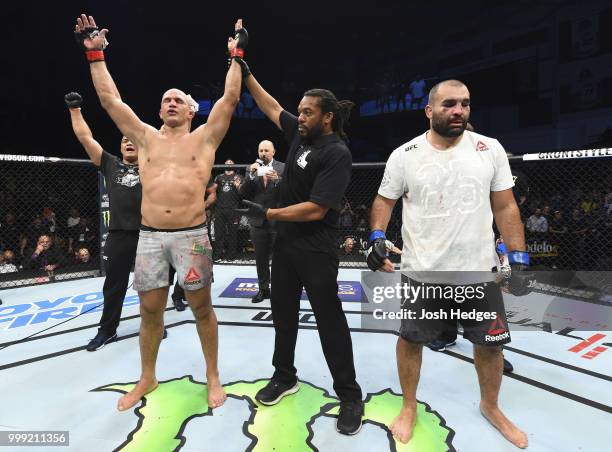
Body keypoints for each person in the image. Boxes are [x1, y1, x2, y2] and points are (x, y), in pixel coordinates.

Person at [74, 14, 244, 410]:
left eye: (178, 100)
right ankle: (147, 377)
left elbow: (230, 99)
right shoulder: (145, 139)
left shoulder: (204, 139)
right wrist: (95, 54)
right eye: (165, 99)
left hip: (192, 236)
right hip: (149, 237)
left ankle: (213, 375)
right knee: (150, 310)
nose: (170, 103)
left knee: (202, 308)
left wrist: (237, 53)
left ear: (190, 111)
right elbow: (110, 101)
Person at [367, 80, 531, 448]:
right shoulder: (404, 155)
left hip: (479, 270)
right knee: (411, 340)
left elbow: (506, 207)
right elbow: (383, 203)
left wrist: (519, 259)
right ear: (429, 111)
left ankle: (491, 406)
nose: (458, 110)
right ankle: (408, 406)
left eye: (465, 104)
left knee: (490, 346)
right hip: (423, 270)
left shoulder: (490, 149)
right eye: (449, 104)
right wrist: (376, 237)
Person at [234, 53, 364, 435]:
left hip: (316, 247)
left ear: (327, 116)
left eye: (307, 112)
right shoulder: (300, 137)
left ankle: (349, 395)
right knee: (283, 313)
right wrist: (245, 70)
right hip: (286, 245)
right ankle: (284, 375)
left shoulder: (336, 152)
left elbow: (316, 209)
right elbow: (270, 105)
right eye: (300, 112)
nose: (300, 117)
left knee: (329, 320)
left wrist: (269, 215)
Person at [65, 91, 144, 351]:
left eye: (132, 138)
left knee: (152, 286)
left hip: (150, 233)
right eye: (124, 140)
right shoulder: (110, 164)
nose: (128, 141)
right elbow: (85, 138)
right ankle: (107, 330)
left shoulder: (153, 164)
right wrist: (75, 110)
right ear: (121, 147)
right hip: (120, 234)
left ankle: (153, 325)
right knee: (114, 286)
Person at [239, 140, 285, 303]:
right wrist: (251, 175)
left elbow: (289, 192)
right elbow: (243, 193)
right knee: (260, 258)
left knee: (280, 259)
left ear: (273, 152)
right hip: (257, 220)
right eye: (261, 150)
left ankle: (280, 290)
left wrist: (278, 180)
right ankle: (263, 289)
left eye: (266, 150)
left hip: (277, 219)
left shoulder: (282, 168)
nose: (263, 153)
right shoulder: (250, 168)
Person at [213, 159, 243, 260]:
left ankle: (231, 256)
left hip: (233, 210)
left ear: (234, 166)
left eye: (231, 163)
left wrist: (238, 186)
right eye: (227, 163)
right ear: (223, 165)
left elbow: (243, 194)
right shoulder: (219, 177)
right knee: (218, 234)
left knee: (233, 234)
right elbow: (213, 192)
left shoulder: (238, 177)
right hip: (220, 209)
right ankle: (217, 255)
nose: (229, 164)